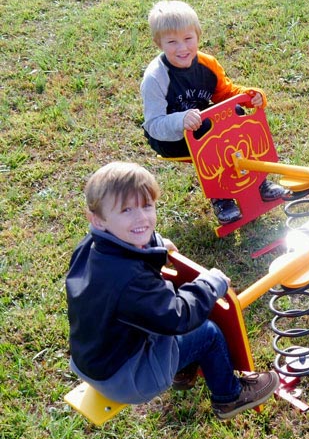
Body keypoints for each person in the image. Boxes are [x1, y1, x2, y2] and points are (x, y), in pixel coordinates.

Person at [65, 162, 280, 420]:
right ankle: (229, 396)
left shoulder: (92, 246)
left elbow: (134, 253)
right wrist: (210, 284)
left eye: (147, 206)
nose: (141, 218)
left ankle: (182, 368)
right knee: (207, 332)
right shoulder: (129, 280)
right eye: (126, 210)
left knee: (157, 317)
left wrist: (156, 244)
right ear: (97, 219)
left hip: (92, 361)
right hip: (126, 379)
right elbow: (178, 316)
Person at [140, 0, 288, 224]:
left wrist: (249, 96)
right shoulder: (155, 78)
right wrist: (180, 121)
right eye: (172, 42)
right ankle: (222, 197)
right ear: (158, 43)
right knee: (212, 139)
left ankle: (259, 182)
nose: (182, 48)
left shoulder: (207, 64)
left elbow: (225, 93)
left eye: (188, 39)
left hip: (202, 121)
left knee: (237, 116)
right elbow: (154, 125)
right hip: (169, 137)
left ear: (198, 36)